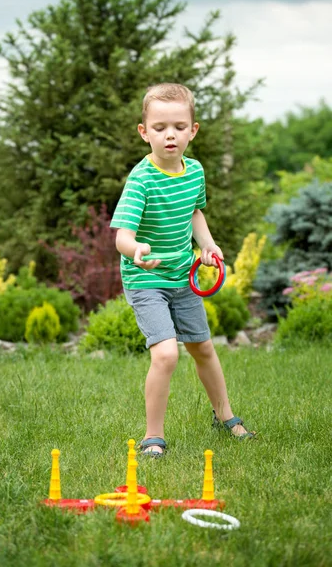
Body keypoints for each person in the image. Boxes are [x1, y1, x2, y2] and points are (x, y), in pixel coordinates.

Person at [110, 83, 255, 456]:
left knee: (203, 347)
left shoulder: (194, 172)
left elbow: (194, 211)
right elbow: (121, 236)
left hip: (181, 274)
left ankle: (226, 417)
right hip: (146, 278)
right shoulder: (141, 179)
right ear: (144, 133)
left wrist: (207, 245)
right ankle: (153, 437)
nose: (169, 134)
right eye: (159, 127)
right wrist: (137, 249)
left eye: (178, 126)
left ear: (193, 130)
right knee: (166, 354)